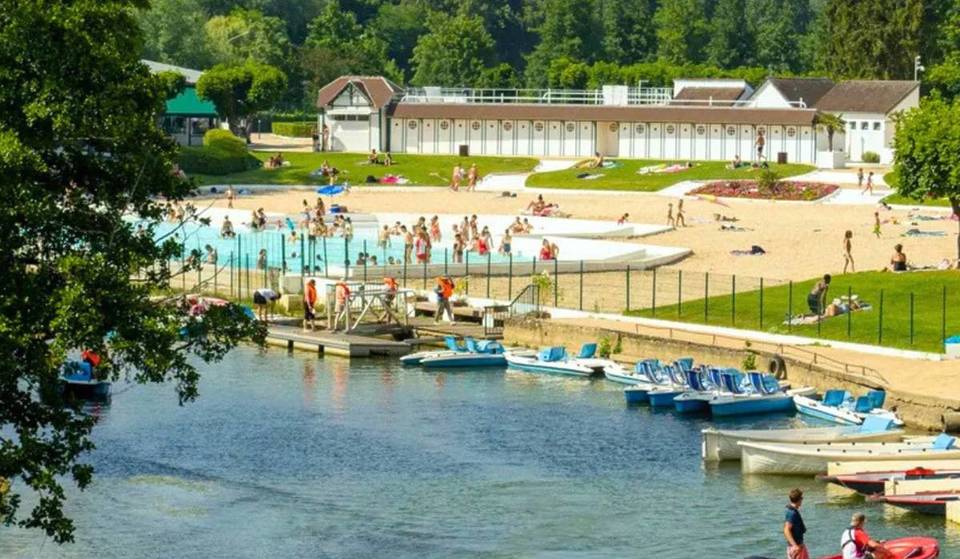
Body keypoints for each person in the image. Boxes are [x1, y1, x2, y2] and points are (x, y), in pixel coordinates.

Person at [784, 488, 808, 559]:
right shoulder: (792, 513)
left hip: (798, 546)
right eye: (801, 498)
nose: (802, 500)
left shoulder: (791, 511)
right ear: (799, 499)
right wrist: (795, 545)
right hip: (796, 548)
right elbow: (786, 530)